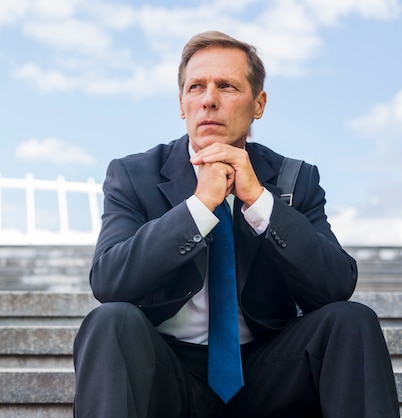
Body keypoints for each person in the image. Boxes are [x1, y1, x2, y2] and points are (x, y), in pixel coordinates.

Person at [73, 31, 399, 418]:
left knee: (352, 320)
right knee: (110, 321)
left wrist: (260, 201)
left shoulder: (295, 179)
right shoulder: (133, 174)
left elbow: (334, 286)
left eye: (226, 86)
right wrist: (199, 205)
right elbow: (109, 281)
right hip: (167, 371)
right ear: (182, 104)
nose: (208, 98)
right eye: (196, 87)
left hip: (270, 369)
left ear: (258, 104)